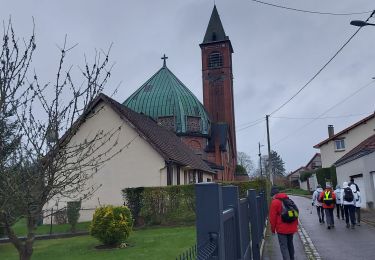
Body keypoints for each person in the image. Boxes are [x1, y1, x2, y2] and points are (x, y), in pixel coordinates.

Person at [269, 187, 298, 260]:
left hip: (281, 228)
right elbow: (296, 212)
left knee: (283, 246)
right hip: (291, 226)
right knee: (290, 244)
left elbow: (272, 218)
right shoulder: (288, 199)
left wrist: (273, 229)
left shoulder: (275, 202)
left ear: (273, 195)